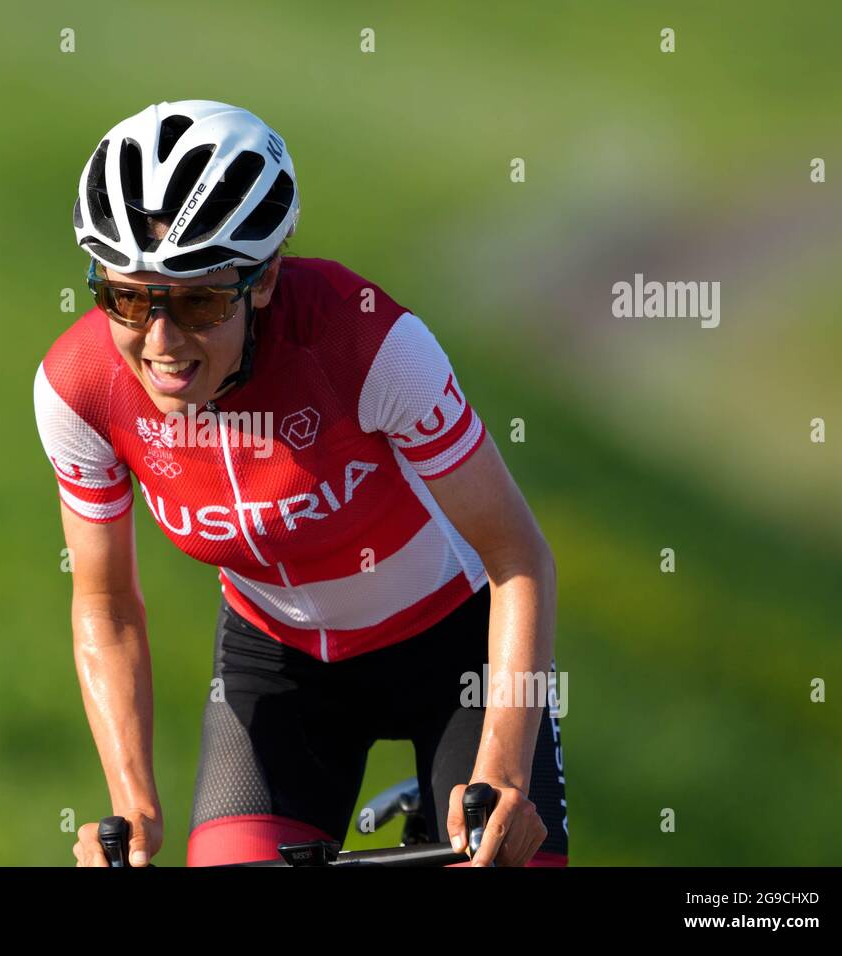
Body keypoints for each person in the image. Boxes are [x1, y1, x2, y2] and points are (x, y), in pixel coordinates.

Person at [34, 99, 567, 867]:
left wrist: (504, 775)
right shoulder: (79, 388)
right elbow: (106, 603)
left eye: (200, 300)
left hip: (454, 653)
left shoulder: (368, 344)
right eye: (127, 297)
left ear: (266, 277)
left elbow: (517, 558)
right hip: (276, 667)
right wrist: (133, 808)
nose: (161, 341)